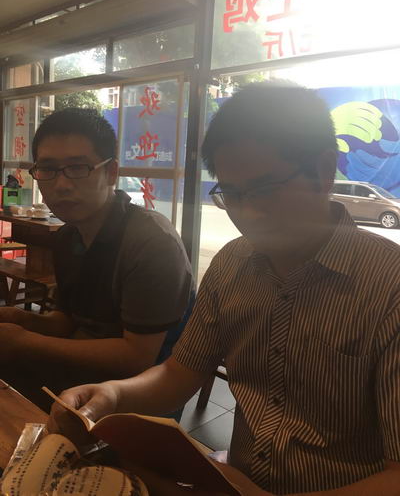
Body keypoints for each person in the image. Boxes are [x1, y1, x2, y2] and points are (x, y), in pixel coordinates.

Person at [49, 82, 400, 495]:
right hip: (235, 482)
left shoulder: (388, 287)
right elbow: (180, 373)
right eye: (231, 194)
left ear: (324, 170)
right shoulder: (232, 264)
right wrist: (111, 394)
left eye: (265, 190)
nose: (248, 213)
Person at [0, 108, 193, 413]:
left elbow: (136, 357)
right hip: (76, 373)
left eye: (78, 167)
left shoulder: (151, 241)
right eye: (48, 169)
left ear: (111, 172)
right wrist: (23, 320)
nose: (61, 184)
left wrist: (24, 341)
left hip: (136, 396)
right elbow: (67, 321)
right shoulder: (68, 236)